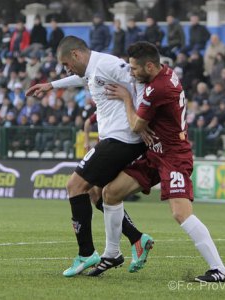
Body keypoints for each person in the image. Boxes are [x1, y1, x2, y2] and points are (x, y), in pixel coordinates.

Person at [88, 41, 225, 283]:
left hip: (173, 156)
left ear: (150, 66)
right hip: (154, 153)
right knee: (111, 193)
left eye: (134, 69)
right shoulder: (161, 76)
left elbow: (135, 125)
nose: (130, 73)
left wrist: (125, 99)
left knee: (180, 213)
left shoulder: (159, 89)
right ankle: (112, 253)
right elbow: (142, 119)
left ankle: (220, 270)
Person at [26, 36, 153, 277]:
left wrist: (142, 120)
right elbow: (81, 77)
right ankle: (137, 239)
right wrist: (51, 85)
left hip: (122, 137)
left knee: (74, 185)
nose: (67, 69)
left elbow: (139, 81)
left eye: (66, 63)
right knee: (95, 192)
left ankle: (86, 253)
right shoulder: (93, 68)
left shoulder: (106, 63)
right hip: (114, 138)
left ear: (76, 54)